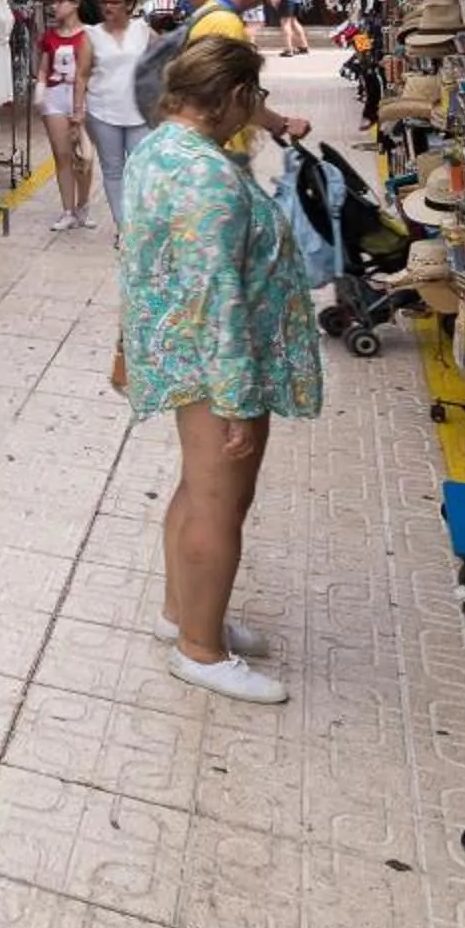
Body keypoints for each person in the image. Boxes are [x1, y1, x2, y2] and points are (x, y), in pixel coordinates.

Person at [114, 37, 322, 706]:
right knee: (220, 503)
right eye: (254, 98)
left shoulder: (157, 149)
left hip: (184, 349)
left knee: (198, 490)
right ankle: (200, 650)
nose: (255, 111)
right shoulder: (203, 176)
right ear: (233, 97)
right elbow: (216, 294)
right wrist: (234, 398)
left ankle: (186, 612)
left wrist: (125, 342)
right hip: (214, 363)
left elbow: (139, 255)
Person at [187, 0, 313, 155]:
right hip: (222, 148)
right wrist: (282, 124)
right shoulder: (225, 23)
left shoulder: (216, 13)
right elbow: (234, 94)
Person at [81, 0, 154, 231]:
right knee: (112, 170)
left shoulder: (142, 30)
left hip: (140, 110)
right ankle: (123, 227)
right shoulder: (91, 34)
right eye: (104, 2)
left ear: (129, 5)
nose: (108, 7)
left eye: (114, 2)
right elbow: (81, 74)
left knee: (139, 169)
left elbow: (164, 59)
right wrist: (76, 110)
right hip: (103, 109)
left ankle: (138, 223)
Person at [34, 0, 95, 232]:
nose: (54, 6)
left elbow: (94, 69)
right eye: (54, 2)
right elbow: (43, 67)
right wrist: (39, 88)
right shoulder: (49, 36)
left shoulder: (90, 34)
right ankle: (68, 209)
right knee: (62, 155)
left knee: (85, 156)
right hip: (55, 95)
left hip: (83, 96)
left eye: (60, 2)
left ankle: (84, 205)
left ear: (75, 4)